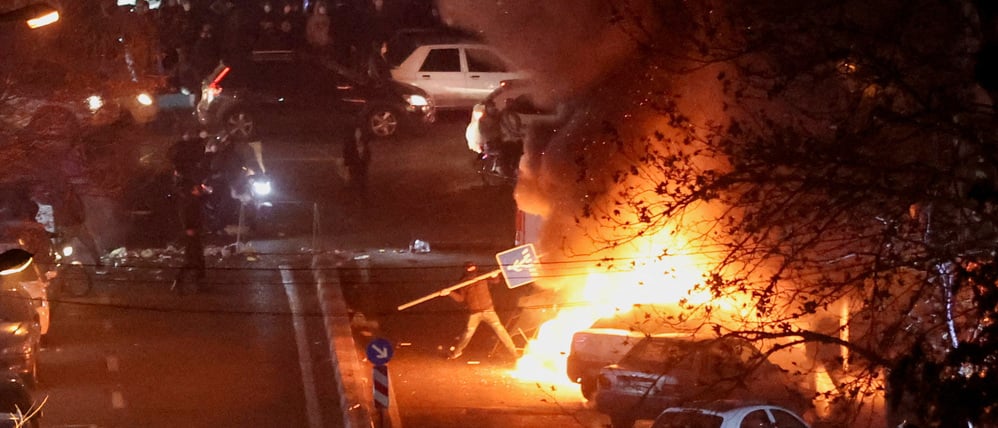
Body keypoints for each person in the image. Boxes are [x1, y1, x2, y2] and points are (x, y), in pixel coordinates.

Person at [445, 261, 519, 360]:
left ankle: (514, 353)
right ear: (465, 269)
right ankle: (456, 353)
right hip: (474, 313)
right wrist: (449, 293)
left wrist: (494, 275)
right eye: (469, 268)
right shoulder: (463, 282)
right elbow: (460, 299)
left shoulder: (482, 276)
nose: (471, 269)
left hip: (488, 310)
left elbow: (495, 281)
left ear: (476, 267)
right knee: (468, 333)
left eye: (472, 267)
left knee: (500, 330)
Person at [174, 179, 206, 288]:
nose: (200, 190)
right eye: (197, 189)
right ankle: (183, 279)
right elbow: (185, 215)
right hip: (191, 232)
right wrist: (188, 228)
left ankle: (195, 280)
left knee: (195, 256)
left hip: (194, 231)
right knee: (192, 256)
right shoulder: (189, 201)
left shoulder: (194, 200)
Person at [342, 125, 372, 193]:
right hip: (354, 166)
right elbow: (346, 154)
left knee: (362, 183)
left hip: (362, 167)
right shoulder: (350, 144)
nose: (358, 134)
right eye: (357, 132)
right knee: (354, 182)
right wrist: (347, 165)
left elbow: (368, 154)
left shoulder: (364, 143)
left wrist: (366, 162)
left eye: (359, 132)